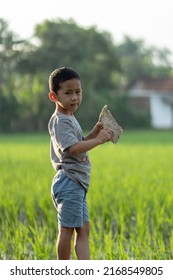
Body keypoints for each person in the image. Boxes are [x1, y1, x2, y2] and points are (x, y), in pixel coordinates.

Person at [48, 67, 112, 260]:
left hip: (77, 184)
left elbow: (79, 143)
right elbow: (72, 149)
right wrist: (99, 140)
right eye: (68, 93)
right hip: (69, 181)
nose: (75, 97)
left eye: (78, 92)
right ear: (53, 96)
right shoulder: (61, 120)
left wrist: (93, 134)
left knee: (83, 230)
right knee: (66, 230)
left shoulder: (69, 117)